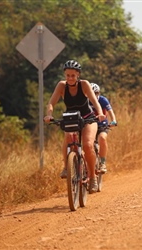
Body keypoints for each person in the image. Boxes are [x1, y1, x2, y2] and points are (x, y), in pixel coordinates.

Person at [44, 60, 105, 194]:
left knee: (88, 145)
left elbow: (94, 101)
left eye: (73, 75)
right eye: (67, 75)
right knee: (68, 138)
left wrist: (100, 113)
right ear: (65, 75)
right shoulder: (61, 86)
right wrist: (49, 114)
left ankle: (93, 177)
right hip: (71, 117)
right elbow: (51, 103)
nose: (70, 78)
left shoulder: (84, 84)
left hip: (88, 117)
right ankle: (67, 167)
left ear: (78, 75)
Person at [90, 83, 117, 173]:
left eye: (96, 93)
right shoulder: (85, 101)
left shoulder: (103, 100)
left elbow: (110, 111)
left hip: (102, 124)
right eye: (92, 93)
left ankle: (102, 163)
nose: (94, 95)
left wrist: (113, 120)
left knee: (102, 138)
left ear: (99, 93)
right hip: (89, 125)